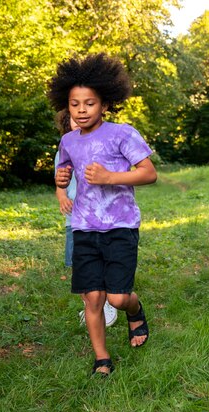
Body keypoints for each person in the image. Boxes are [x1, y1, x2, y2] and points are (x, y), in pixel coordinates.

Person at [48, 53, 157, 376]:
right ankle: (102, 358)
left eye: (89, 103)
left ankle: (135, 311)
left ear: (105, 105)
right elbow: (65, 166)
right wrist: (61, 179)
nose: (81, 110)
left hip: (120, 225)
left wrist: (111, 177)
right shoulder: (67, 140)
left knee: (118, 297)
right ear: (66, 106)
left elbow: (148, 173)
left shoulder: (122, 134)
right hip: (83, 226)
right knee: (92, 297)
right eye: (75, 104)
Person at [53, 110, 118, 328]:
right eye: (73, 115)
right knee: (79, 266)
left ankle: (106, 302)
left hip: (100, 218)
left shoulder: (100, 146)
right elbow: (59, 182)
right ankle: (90, 305)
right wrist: (62, 196)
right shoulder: (65, 149)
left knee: (105, 262)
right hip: (75, 221)